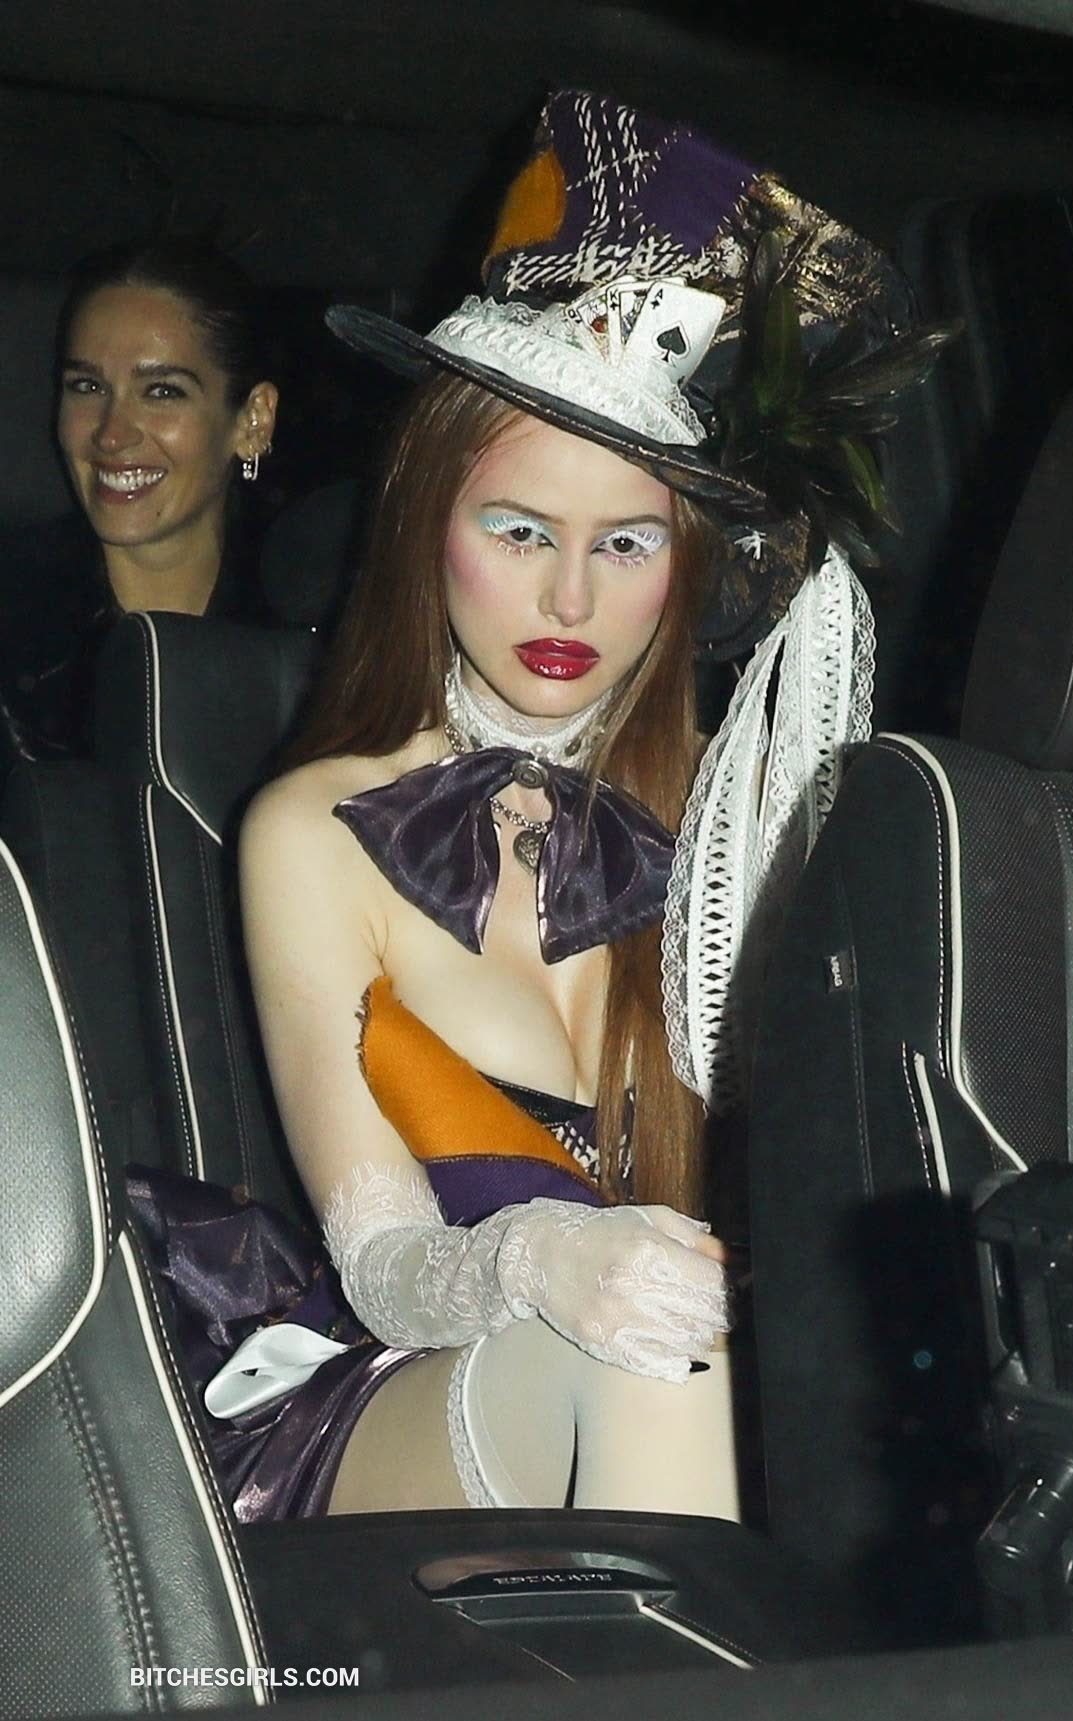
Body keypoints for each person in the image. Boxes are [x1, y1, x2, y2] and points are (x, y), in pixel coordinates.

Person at [129, 90, 950, 1523]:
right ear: (427, 529)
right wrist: (537, 1258)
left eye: (623, 544)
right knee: (647, 1352)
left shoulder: (752, 822)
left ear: (683, 572)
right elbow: (384, 1265)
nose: (568, 597)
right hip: (409, 1381)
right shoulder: (314, 831)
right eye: (518, 531)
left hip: (687, 1381)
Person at [0, 238, 278, 760]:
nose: (111, 434)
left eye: (162, 392)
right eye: (87, 387)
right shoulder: (15, 615)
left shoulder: (323, 632)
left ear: (253, 421)